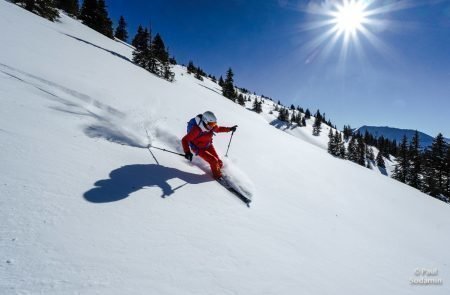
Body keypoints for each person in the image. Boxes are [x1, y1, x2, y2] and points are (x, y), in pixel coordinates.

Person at [182, 111, 237, 179]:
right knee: (213, 161)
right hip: (199, 148)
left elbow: (218, 129)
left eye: (214, 124)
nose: (213, 126)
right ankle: (218, 177)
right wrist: (187, 152)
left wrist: (229, 129)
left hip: (208, 145)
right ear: (205, 121)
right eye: (211, 124)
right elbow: (185, 140)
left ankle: (218, 171)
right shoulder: (196, 130)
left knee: (219, 163)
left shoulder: (210, 126)